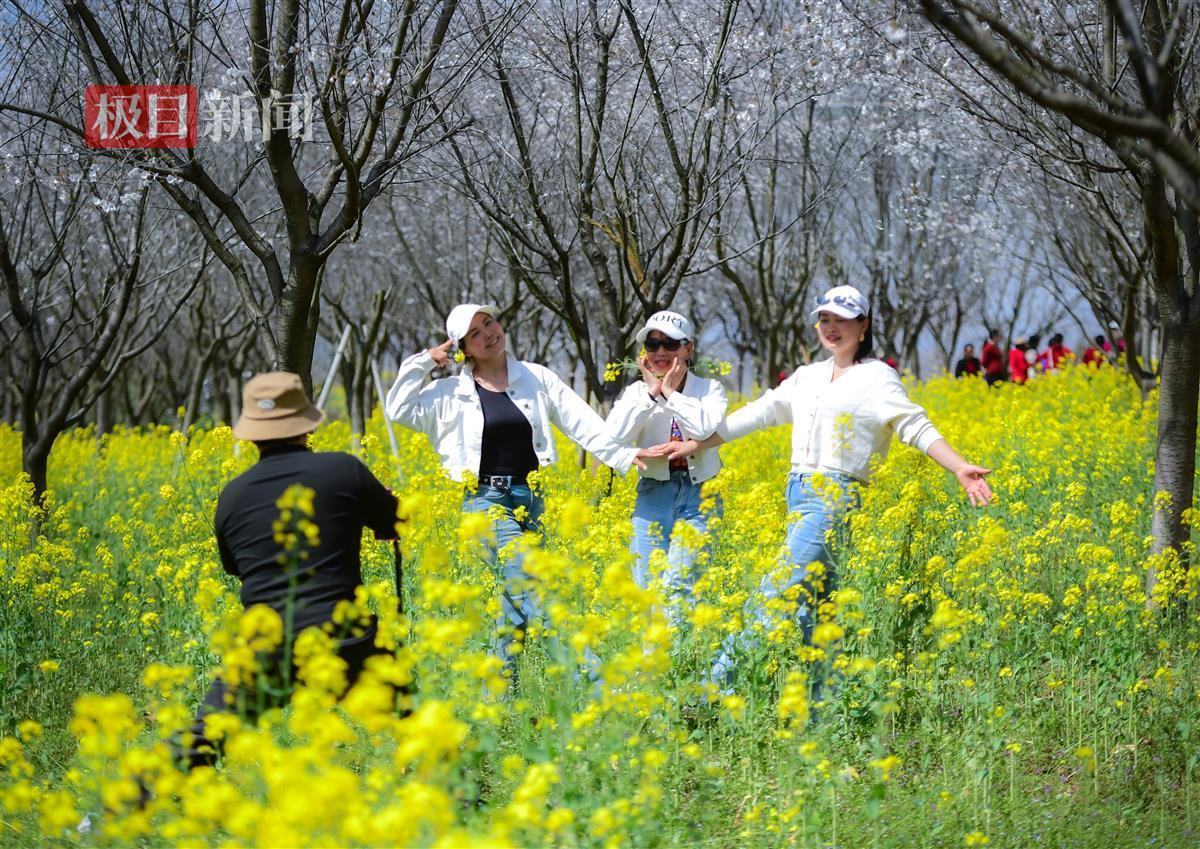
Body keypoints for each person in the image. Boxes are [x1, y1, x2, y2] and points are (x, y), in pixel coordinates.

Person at [663, 285, 993, 695]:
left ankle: (712, 691)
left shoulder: (877, 377)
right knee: (816, 612)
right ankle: (825, 714)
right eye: (825, 319)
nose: (831, 328)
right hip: (798, 495)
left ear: (864, 324)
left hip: (835, 498)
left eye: (842, 319)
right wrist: (697, 444)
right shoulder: (808, 377)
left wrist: (960, 466)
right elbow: (756, 414)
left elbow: (915, 426)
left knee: (773, 592)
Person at [385, 304, 651, 682]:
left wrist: (623, 453)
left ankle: (496, 701)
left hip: (532, 499)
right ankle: (596, 685)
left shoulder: (535, 377)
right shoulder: (449, 393)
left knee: (514, 601)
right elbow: (398, 409)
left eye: (489, 323)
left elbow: (582, 422)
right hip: (485, 502)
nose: (488, 333)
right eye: (475, 333)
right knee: (538, 589)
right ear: (463, 347)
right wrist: (424, 361)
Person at [181, 373, 400, 769]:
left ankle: (121, 807)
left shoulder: (231, 497)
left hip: (266, 647)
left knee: (206, 733)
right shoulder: (344, 470)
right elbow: (394, 524)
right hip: (346, 640)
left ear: (252, 435)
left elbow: (236, 567)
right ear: (307, 425)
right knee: (412, 719)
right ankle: (461, 802)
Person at [607, 311, 727, 624]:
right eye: (652, 343)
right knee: (649, 590)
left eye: (670, 344)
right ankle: (653, 668)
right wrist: (650, 393)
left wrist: (670, 393)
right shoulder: (636, 393)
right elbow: (613, 436)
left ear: (688, 348)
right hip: (652, 494)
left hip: (700, 496)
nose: (660, 352)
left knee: (680, 589)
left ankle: (676, 667)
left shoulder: (710, 390)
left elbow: (702, 429)